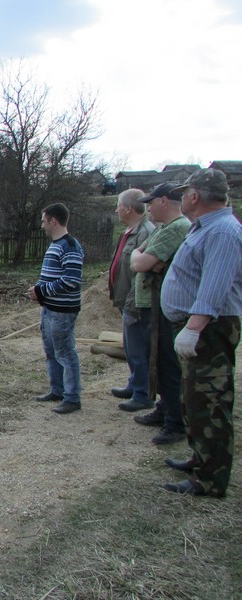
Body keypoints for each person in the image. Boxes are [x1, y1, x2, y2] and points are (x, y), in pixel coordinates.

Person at [160, 168, 242, 497]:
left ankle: (210, 479)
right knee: (194, 398)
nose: (182, 198)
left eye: (185, 192)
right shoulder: (205, 228)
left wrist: (194, 328)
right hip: (200, 326)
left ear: (195, 196)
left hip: (209, 328)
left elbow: (214, 286)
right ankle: (200, 458)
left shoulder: (222, 231)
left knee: (210, 402)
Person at [130, 182, 190, 445]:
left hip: (166, 306)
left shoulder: (178, 228)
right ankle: (165, 409)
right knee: (156, 358)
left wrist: (139, 256)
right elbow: (142, 261)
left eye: (151, 202)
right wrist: (143, 259)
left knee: (167, 363)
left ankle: (175, 422)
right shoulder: (163, 229)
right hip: (155, 303)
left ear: (164, 201)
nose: (148, 208)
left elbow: (139, 262)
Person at [27, 203, 84, 414]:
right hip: (49, 309)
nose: (42, 226)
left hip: (62, 311)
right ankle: (57, 390)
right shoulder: (55, 245)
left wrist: (41, 290)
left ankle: (72, 397)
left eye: (43, 221)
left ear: (53, 221)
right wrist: (39, 292)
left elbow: (71, 281)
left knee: (65, 352)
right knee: (51, 352)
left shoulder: (69, 245)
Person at [107, 189, 154, 409]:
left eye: (118, 205)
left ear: (127, 208)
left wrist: (132, 302)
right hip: (125, 300)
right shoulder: (130, 230)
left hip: (136, 303)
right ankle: (134, 384)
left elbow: (144, 273)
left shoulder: (146, 232)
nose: (116, 209)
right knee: (130, 346)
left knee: (138, 349)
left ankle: (143, 395)